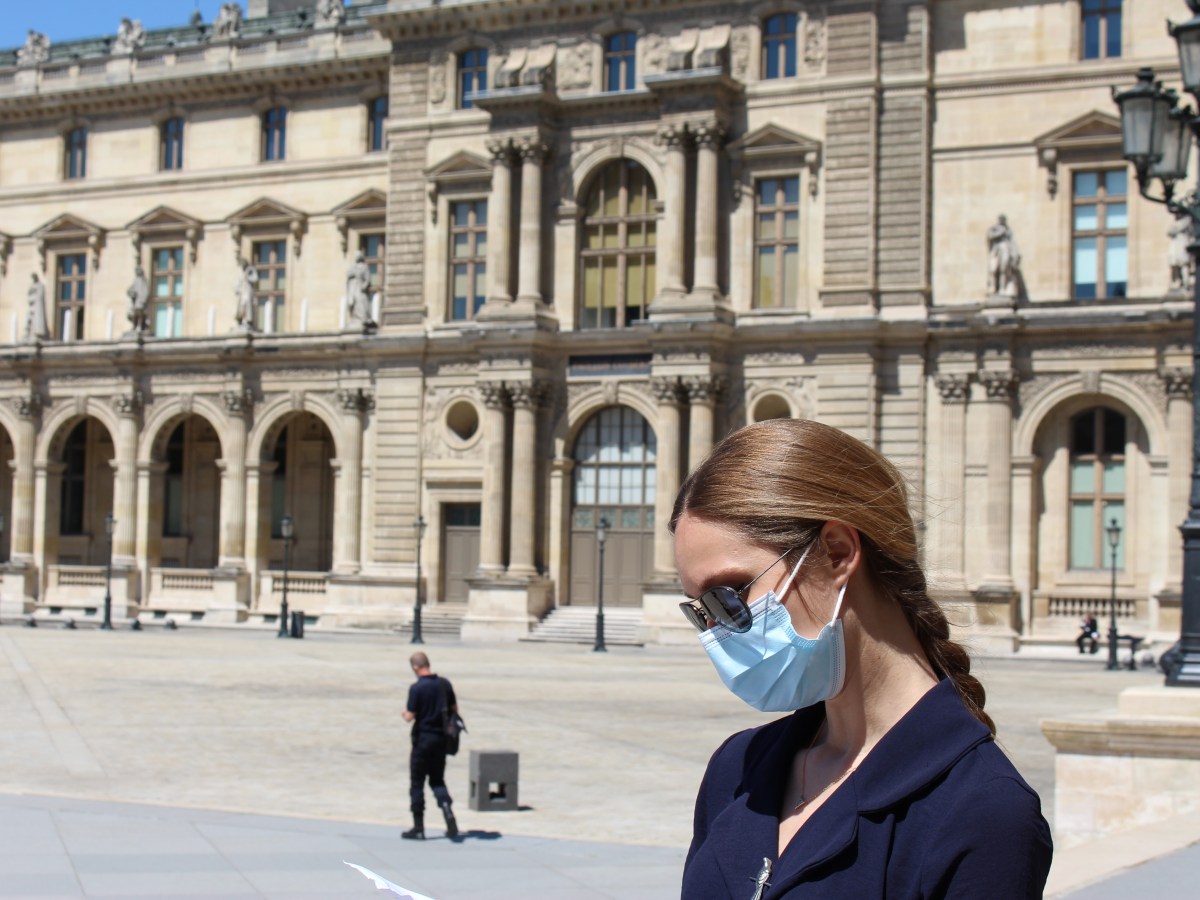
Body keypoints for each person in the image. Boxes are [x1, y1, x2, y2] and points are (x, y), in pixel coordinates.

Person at [671, 418, 1052, 898]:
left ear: (837, 551)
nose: (716, 632)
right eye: (698, 610)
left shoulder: (981, 810)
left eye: (728, 596)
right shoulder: (736, 768)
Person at [401, 652, 459, 840]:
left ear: (415, 667)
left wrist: (404, 714)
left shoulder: (416, 688)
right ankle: (447, 809)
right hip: (440, 740)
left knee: (417, 783)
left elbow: (410, 716)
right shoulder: (444, 684)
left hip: (422, 741)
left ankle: (418, 828)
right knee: (437, 780)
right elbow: (454, 709)